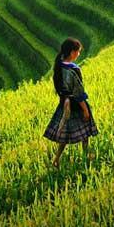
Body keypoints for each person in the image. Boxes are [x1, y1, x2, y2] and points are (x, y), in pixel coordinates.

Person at [43, 37, 97, 167]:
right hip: (76, 104)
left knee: (65, 136)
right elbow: (78, 92)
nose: (79, 54)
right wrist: (85, 109)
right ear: (72, 52)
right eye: (78, 51)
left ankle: (56, 158)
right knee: (85, 131)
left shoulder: (59, 64)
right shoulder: (74, 69)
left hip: (64, 103)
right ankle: (85, 155)